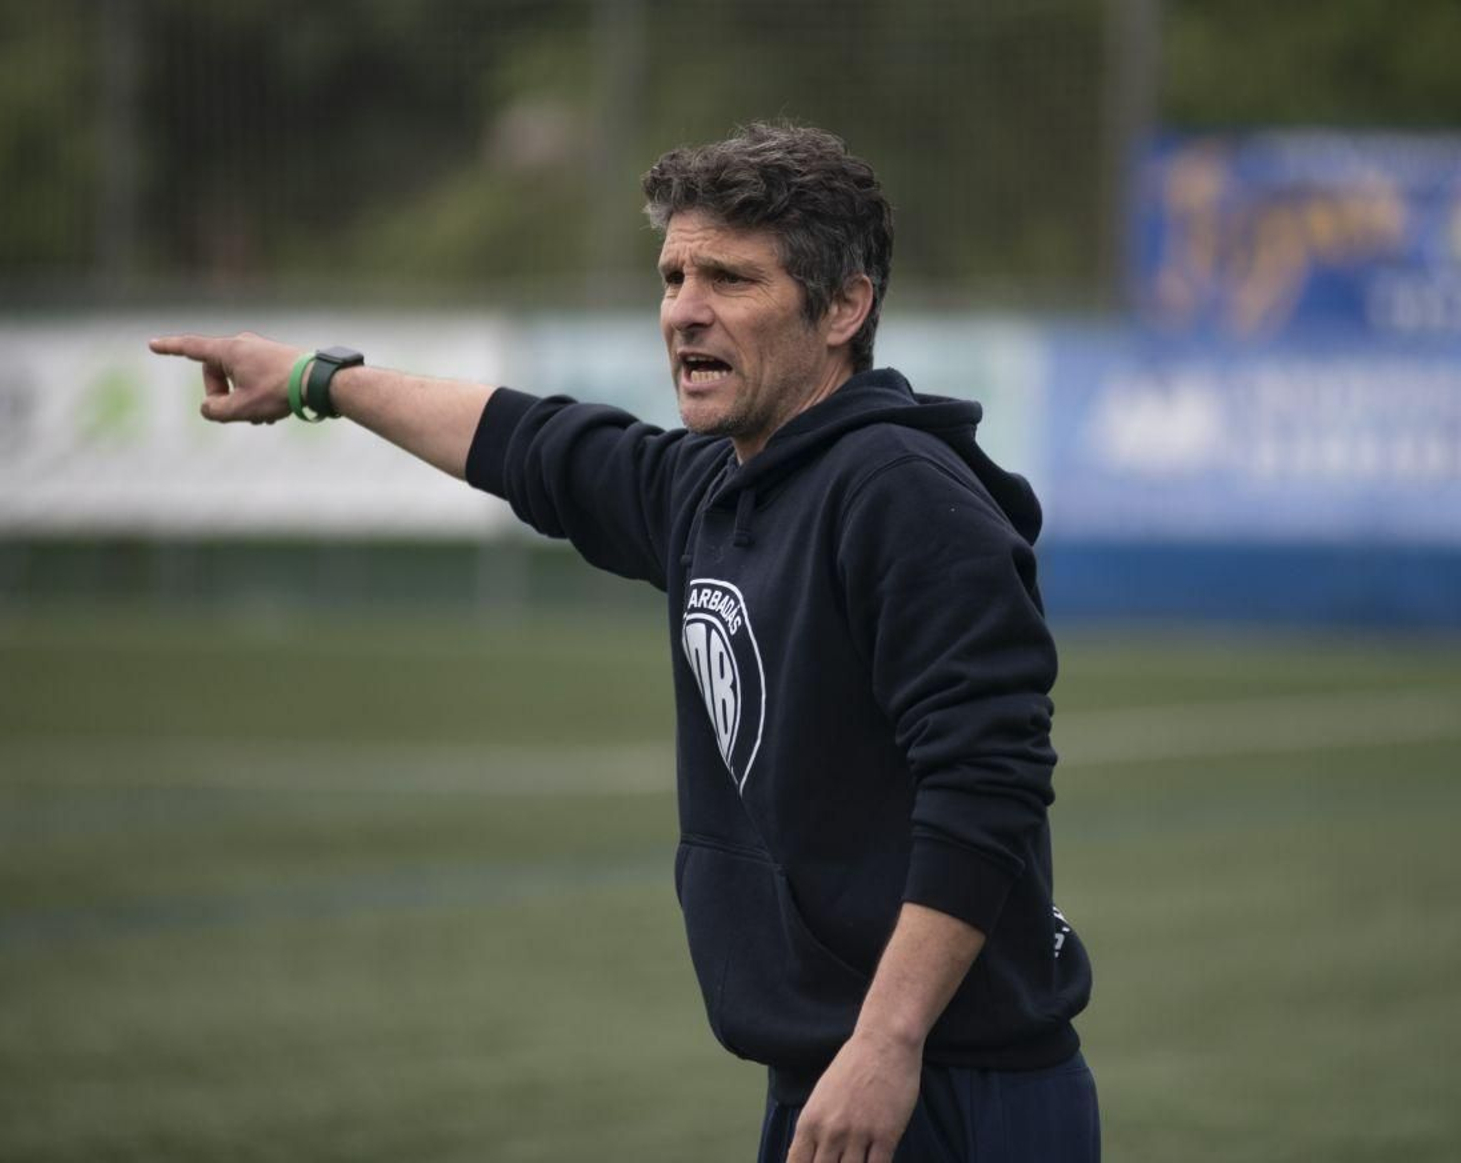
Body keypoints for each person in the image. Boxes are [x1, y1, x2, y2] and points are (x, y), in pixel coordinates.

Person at [150, 122, 1098, 1163]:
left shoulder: (897, 494)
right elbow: (534, 444)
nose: (684, 308)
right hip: (835, 1070)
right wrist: (313, 379)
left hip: (947, 1081)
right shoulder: (718, 483)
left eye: (730, 279)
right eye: (673, 274)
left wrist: (886, 1037)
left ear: (842, 307)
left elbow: (987, 781)